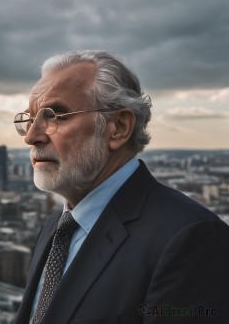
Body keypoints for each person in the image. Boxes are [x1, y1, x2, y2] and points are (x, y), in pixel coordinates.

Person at [13, 51, 229, 324]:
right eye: (30, 120)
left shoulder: (191, 238)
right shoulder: (56, 227)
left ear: (118, 127)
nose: (31, 137)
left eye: (55, 115)